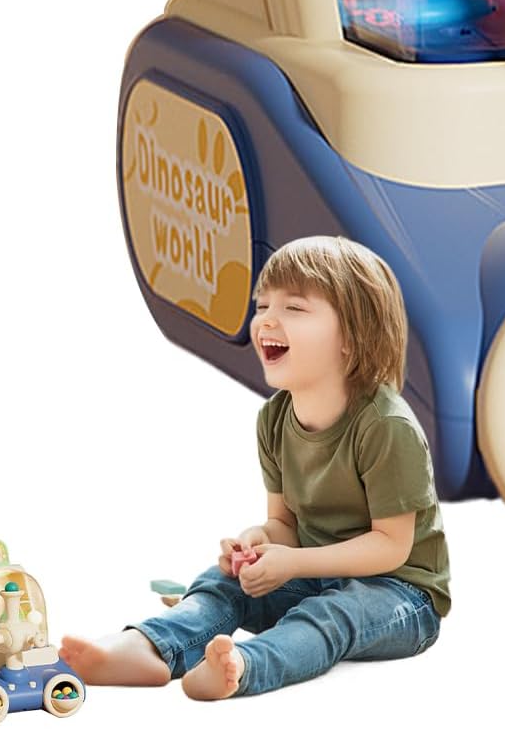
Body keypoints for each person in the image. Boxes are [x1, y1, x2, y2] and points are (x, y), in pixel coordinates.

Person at [62, 235, 448, 699]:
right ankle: (151, 648)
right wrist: (258, 542)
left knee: (332, 614)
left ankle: (242, 668)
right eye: (263, 305)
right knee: (222, 583)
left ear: (351, 336)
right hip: (312, 575)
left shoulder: (386, 426)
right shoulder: (274, 419)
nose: (266, 319)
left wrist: (294, 562)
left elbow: (391, 547)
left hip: (401, 594)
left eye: (294, 307)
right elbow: (284, 524)